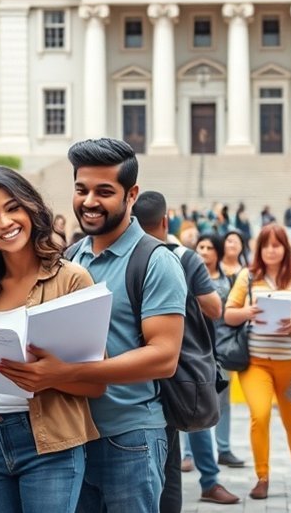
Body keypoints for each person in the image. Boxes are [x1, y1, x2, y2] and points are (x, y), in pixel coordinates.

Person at [0, 166, 104, 512]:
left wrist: (51, 375)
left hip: (50, 444)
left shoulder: (71, 280)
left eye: (13, 208)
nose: (5, 222)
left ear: (31, 208)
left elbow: (95, 385)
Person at [33, 138, 185, 511]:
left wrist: (68, 371)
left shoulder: (154, 261)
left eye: (104, 191)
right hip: (73, 433)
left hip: (130, 437)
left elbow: (164, 357)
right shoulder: (70, 257)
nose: (89, 202)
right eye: (81, 190)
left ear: (130, 194)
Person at [133, 192, 239, 508]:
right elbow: (213, 307)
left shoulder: (127, 258)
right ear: (166, 220)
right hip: (180, 362)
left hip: (134, 365)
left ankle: (207, 481)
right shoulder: (182, 256)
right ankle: (209, 481)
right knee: (185, 426)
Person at [224, 222, 291, 500]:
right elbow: (228, 314)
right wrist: (248, 311)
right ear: (258, 249)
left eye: (277, 244)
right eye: (266, 245)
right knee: (258, 416)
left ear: (286, 247)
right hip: (256, 362)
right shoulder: (248, 277)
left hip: (290, 362)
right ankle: (262, 476)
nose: (271, 251)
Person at [194, 233, 245, 469]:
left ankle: (223, 448)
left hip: (221, 346)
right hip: (194, 345)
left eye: (209, 247)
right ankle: (187, 453)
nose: (204, 251)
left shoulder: (227, 279)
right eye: (200, 247)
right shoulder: (187, 275)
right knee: (191, 398)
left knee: (222, 400)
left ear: (217, 252)